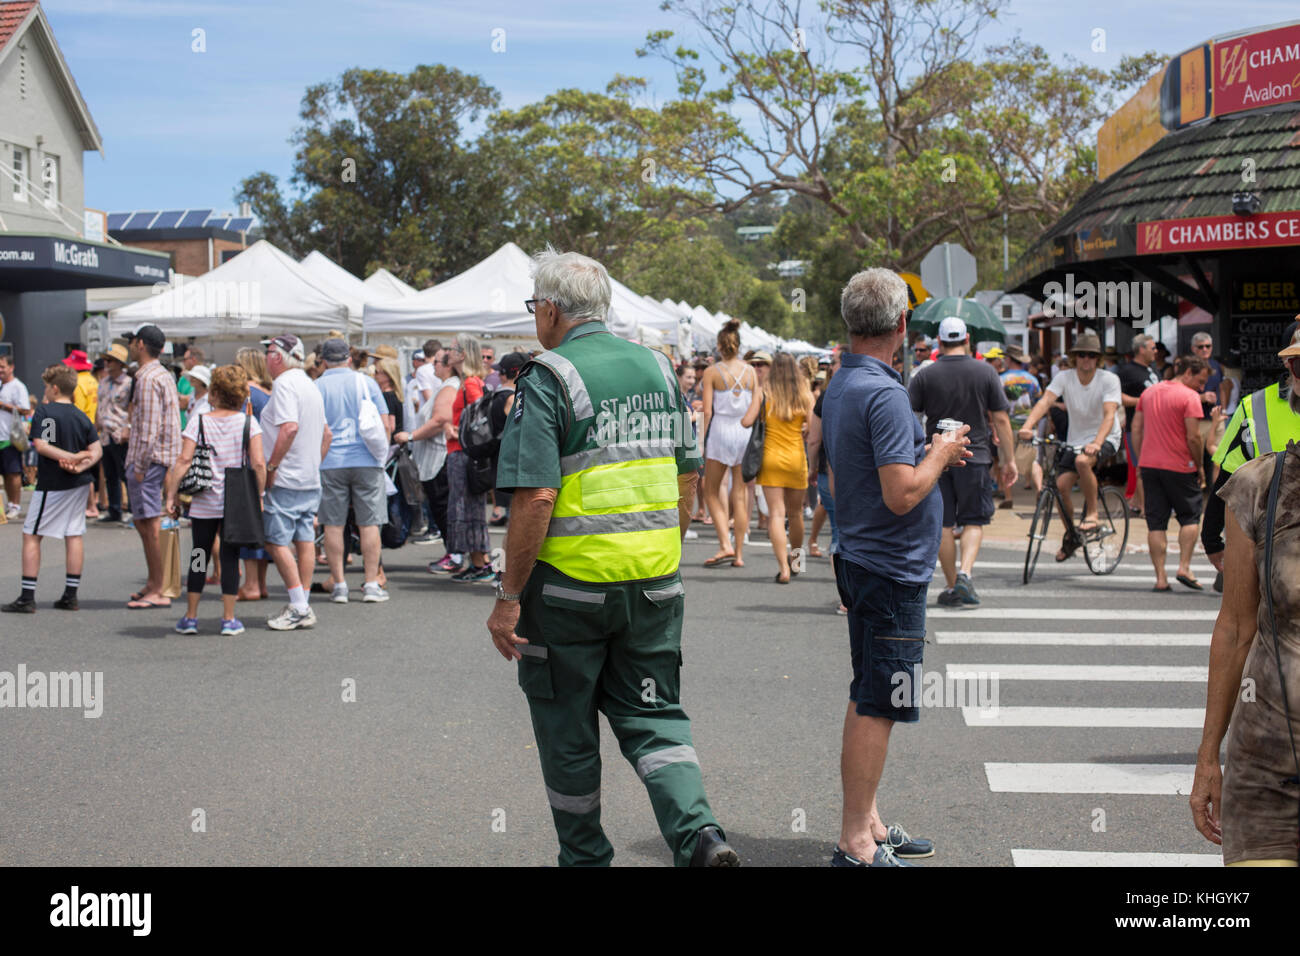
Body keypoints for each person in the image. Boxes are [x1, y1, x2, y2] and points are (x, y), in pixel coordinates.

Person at [487, 245, 736, 867]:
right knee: (655, 718)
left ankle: (586, 858)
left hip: (570, 590)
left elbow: (538, 494)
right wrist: (664, 545)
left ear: (550, 309)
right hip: (654, 583)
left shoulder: (548, 376)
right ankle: (699, 835)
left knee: (568, 732)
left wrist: (508, 597)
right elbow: (687, 476)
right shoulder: (658, 367)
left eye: (533, 307)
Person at [822, 267, 971, 867]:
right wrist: (938, 451)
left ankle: (871, 824)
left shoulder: (846, 381)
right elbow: (901, 493)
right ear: (903, 324)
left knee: (872, 694)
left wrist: (927, 454)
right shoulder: (882, 391)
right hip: (887, 567)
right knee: (877, 701)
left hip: (866, 557)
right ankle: (857, 841)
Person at [1190, 442, 1300, 865]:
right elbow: (1235, 628)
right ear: (1293, 371)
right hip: (1267, 760)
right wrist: (1207, 757)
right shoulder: (1260, 485)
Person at [909, 316, 1015, 607]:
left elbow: (910, 416)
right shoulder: (986, 372)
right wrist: (1009, 460)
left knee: (943, 523)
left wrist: (918, 450)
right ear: (967, 339)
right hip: (975, 455)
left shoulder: (924, 374)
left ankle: (953, 584)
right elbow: (1002, 420)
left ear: (940, 343)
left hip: (937, 457)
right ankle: (966, 574)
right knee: (973, 520)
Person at [163, 365, 266, 636]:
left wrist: (171, 494)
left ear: (215, 392)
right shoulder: (248, 423)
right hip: (236, 501)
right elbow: (258, 463)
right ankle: (229, 618)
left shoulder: (199, 421)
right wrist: (260, 495)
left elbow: (184, 460)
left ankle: (191, 616)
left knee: (199, 554)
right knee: (231, 558)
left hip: (204, 501)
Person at [1, 364, 101, 613]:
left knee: (32, 534)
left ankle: (27, 596)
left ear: (55, 388)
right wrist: (81, 462)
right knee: (73, 533)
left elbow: (43, 444)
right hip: (78, 482)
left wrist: (71, 457)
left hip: (53, 482)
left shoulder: (46, 411)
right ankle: (70, 594)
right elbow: (96, 449)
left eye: (47, 386)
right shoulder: (80, 416)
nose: (45, 390)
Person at [1018, 330, 1122, 562]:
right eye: (1082, 355)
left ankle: (1093, 513)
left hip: (1106, 437)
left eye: (1092, 355)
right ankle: (1071, 535)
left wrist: (1097, 443)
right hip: (1076, 439)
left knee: (1083, 461)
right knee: (1059, 486)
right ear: (1075, 357)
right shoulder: (1065, 377)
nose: (1087, 359)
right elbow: (1045, 401)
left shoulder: (1108, 379)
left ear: (1098, 358)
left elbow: (1109, 415)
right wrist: (1028, 426)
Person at [313, 337, 392, 604]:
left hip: (330, 461)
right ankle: (371, 583)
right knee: (369, 523)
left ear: (323, 360)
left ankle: (339, 585)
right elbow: (385, 424)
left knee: (333, 525)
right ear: (349, 358)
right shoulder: (366, 382)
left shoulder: (317, 386)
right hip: (366, 459)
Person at [260, 334, 331, 630]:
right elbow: (326, 434)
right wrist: (313, 462)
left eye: (269, 352)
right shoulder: (308, 384)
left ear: (278, 356)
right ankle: (301, 603)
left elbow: (289, 428)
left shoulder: (286, 383)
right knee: (303, 540)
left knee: (276, 541)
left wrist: (272, 466)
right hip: (308, 476)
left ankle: (299, 606)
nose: (265, 358)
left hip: (287, 476)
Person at [1131, 354, 1209, 591]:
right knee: (1190, 516)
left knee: (1155, 523)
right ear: (1188, 373)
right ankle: (1184, 566)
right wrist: (1200, 466)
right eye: (1200, 380)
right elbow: (1194, 437)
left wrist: (1140, 458)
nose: (1202, 386)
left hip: (1150, 465)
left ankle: (1160, 578)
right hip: (1180, 465)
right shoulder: (1190, 397)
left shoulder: (1149, 392)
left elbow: (1136, 428)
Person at [124, 324, 182, 609]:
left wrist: (140, 464)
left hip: (149, 459)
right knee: (145, 522)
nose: (130, 346)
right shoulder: (162, 374)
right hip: (160, 457)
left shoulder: (147, 377)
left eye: (132, 342)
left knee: (149, 525)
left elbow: (149, 426)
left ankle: (158, 588)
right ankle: (154, 582)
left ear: (141, 344)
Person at [699, 320, 761, 567]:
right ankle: (738, 553)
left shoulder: (712, 372)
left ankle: (724, 542)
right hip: (743, 431)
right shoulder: (750, 371)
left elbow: (707, 411)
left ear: (719, 346)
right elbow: (757, 400)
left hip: (721, 430)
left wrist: (701, 442)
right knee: (740, 493)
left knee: (712, 490)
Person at [757, 352, 814, 583]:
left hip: (770, 459)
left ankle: (784, 569)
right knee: (796, 513)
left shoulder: (765, 393)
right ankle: (798, 561)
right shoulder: (805, 395)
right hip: (796, 459)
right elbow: (812, 431)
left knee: (776, 515)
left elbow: (754, 420)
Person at [443, 333, 493, 582]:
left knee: (467, 508)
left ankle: (479, 563)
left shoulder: (470, 383)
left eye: (452, 349)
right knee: (470, 508)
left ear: (462, 354)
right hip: (464, 452)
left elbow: (480, 418)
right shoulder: (470, 381)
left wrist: (456, 431)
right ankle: (480, 562)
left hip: (462, 453)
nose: (447, 353)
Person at [233, 347, 274, 601]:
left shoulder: (246, 394)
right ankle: (260, 583)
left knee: (246, 527)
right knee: (264, 525)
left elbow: (239, 429)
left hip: (247, 464)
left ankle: (249, 584)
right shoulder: (271, 393)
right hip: (271, 462)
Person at [1116, 333, 1160, 516]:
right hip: (1138, 428)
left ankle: (1137, 502)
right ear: (1141, 349)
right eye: (1152, 348)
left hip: (1156, 427)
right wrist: (1142, 401)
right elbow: (1118, 397)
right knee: (1142, 467)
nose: (1156, 352)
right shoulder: (1126, 371)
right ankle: (1145, 509)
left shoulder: (1153, 370)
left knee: (1154, 468)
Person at [998, 344, 1042, 511]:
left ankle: (1008, 496)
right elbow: (1038, 402)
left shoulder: (1002, 379)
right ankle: (1039, 489)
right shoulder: (1032, 380)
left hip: (1007, 426)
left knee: (1005, 460)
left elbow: (997, 406)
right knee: (1034, 460)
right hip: (1029, 426)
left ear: (1008, 359)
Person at [96, 344, 132, 524]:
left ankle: (132, 509)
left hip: (120, 432)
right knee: (110, 474)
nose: (106, 363)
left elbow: (133, 408)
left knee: (125, 473)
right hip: (105, 433)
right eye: (105, 360)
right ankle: (114, 509)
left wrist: (129, 427)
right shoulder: (103, 381)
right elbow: (100, 405)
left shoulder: (128, 383)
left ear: (119, 363)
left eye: (109, 360)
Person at [0, 353, 32, 520]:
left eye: (2, 367)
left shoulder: (18, 387)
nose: (0, 370)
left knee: (13, 472)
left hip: (10, 436)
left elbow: (25, 410)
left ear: (11, 368)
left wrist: (4, 405)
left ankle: (16, 505)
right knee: (4, 474)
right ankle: (9, 504)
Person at [176, 345, 206, 428]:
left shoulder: (203, 378)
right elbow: (179, 402)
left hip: (195, 427)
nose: (183, 362)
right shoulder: (183, 379)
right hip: (183, 425)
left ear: (193, 360)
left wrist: (178, 397)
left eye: (185, 359)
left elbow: (186, 402)